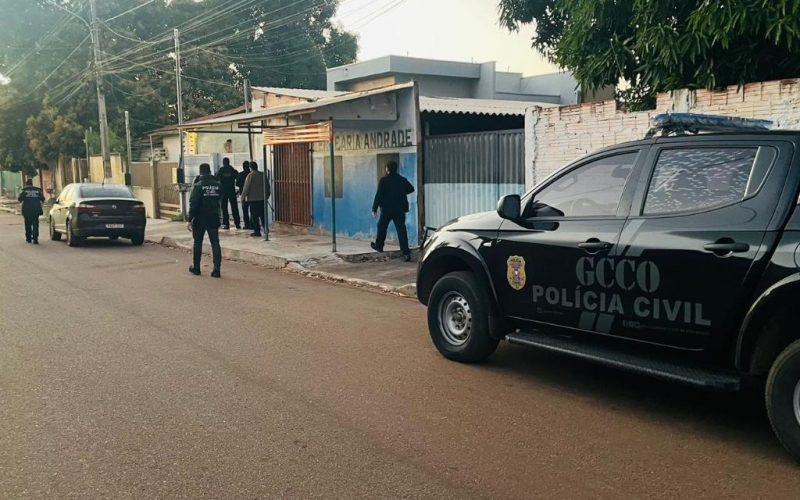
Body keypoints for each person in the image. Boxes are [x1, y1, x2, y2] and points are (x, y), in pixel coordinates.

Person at [371, 160, 414, 262]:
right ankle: (406, 253)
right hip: (399, 209)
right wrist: (401, 192)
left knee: (381, 226)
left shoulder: (383, 180)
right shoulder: (402, 180)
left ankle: (379, 246)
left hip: (387, 209)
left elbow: (378, 195)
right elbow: (411, 189)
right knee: (401, 231)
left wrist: (374, 209)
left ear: (388, 169)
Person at [188, 163, 222, 278]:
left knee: (197, 242)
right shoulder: (218, 185)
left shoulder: (198, 185)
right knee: (215, 243)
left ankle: (196, 268)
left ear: (200, 172)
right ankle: (216, 270)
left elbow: (193, 203)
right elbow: (220, 198)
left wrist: (190, 219)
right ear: (210, 171)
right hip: (213, 217)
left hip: (200, 218)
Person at [241, 161, 269, 238]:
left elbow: (246, 188)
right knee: (263, 215)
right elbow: (267, 186)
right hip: (262, 199)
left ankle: (257, 231)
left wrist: (242, 198)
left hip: (253, 200)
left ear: (250, 168)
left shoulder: (250, 175)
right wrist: (266, 196)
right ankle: (266, 229)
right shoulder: (263, 175)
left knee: (254, 217)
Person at [215, 157, 240, 229]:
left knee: (224, 208)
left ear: (223, 163)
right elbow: (238, 179)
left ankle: (226, 224)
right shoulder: (233, 170)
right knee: (234, 207)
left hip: (223, 191)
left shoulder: (220, 171)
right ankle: (237, 224)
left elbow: (215, 179)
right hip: (232, 190)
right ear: (229, 162)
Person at [18, 179, 45, 244]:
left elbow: (19, 199)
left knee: (28, 224)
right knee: (35, 224)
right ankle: (35, 239)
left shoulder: (24, 191)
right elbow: (43, 199)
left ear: (26, 184)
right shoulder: (37, 191)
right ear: (32, 184)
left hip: (27, 210)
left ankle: (28, 238)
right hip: (36, 210)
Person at [236, 161, 251, 230]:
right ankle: (252, 224)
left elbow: (237, 184)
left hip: (243, 194)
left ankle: (247, 224)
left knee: (245, 210)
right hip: (251, 194)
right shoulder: (251, 174)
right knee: (252, 210)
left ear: (243, 167)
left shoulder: (240, 174)